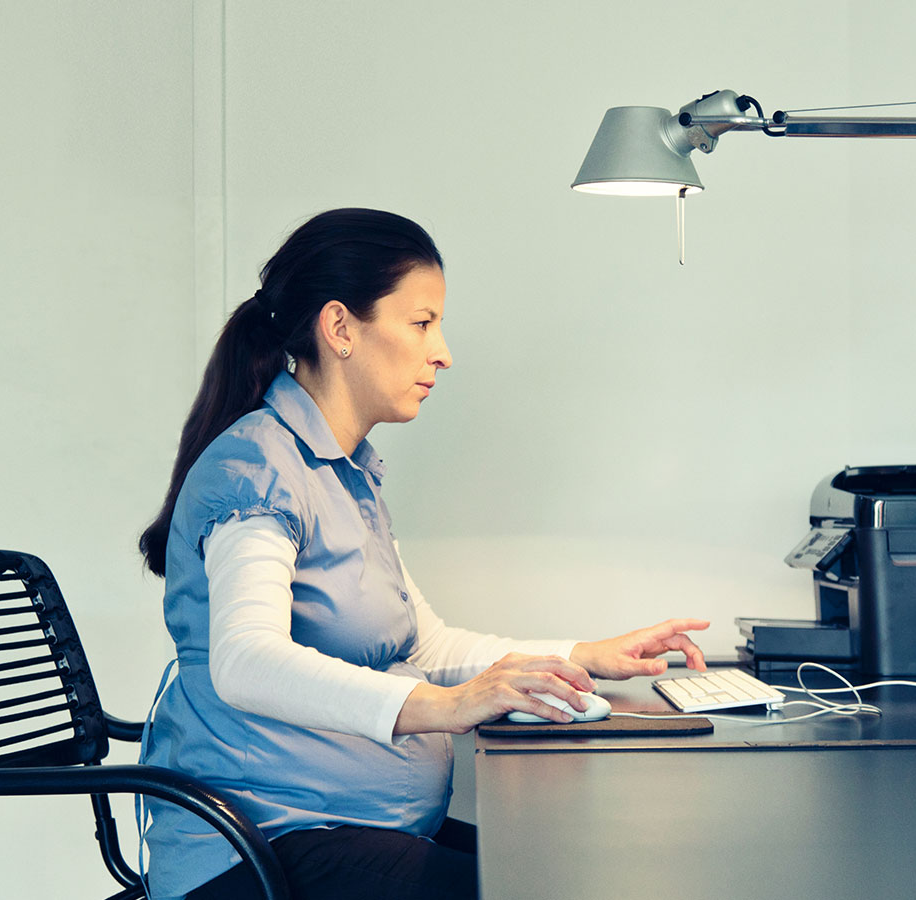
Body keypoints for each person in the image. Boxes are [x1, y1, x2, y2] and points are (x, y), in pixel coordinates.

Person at [137, 208, 709, 900]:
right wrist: (449, 706)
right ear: (341, 327)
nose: (442, 351)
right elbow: (245, 662)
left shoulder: (343, 472)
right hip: (260, 856)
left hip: (350, 831)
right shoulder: (260, 468)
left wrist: (583, 655)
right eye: (421, 322)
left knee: (569, 867)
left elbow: (426, 644)